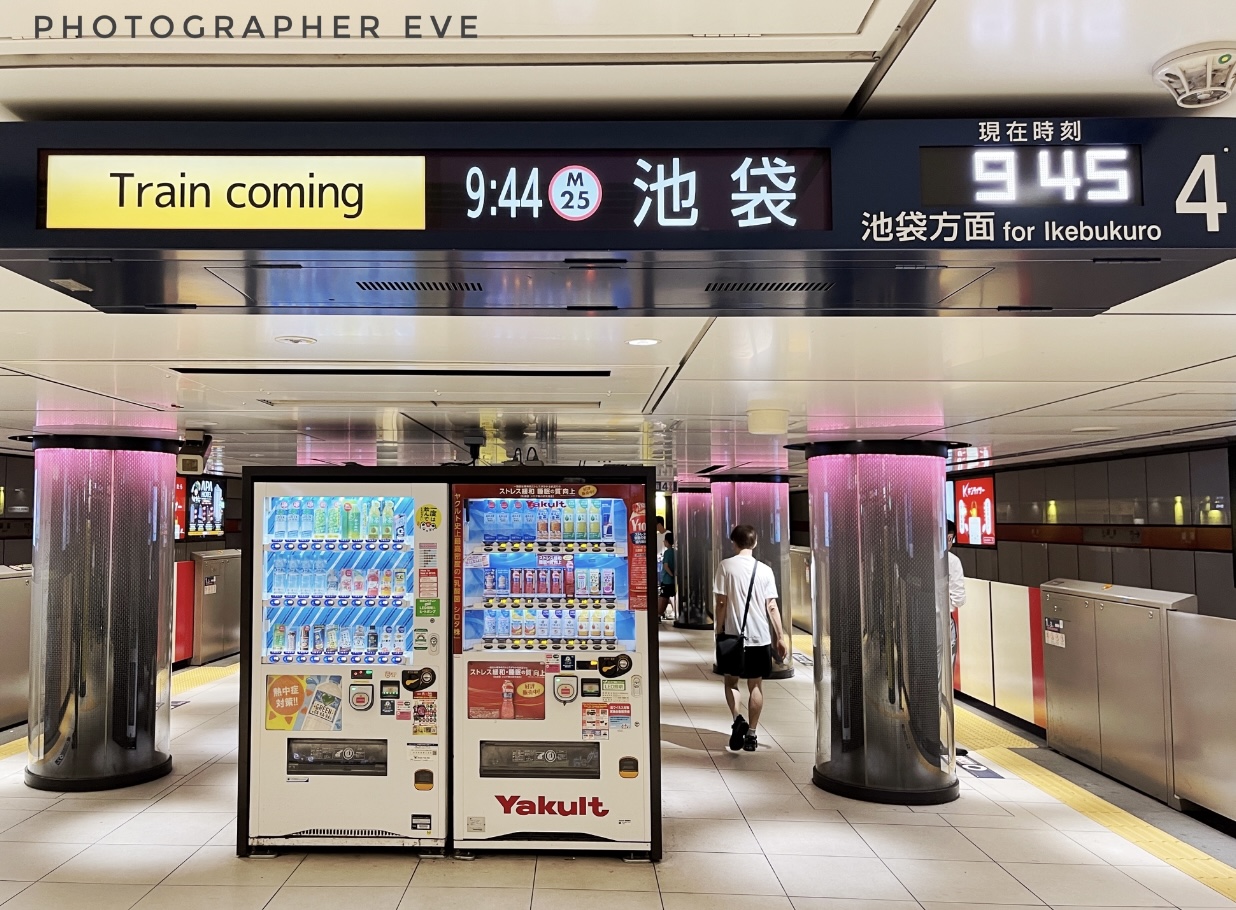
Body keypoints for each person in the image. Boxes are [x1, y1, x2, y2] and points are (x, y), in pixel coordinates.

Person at [713, 524, 786, 752]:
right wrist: (780, 637)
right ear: (754, 543)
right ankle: (752, 734)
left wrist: (718, 628)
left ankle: (738, 719)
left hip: (733, 636)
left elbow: (722, 602)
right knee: (756, 684)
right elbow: (771, 606)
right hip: (760, 638)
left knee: (731, 682)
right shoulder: (765, 570)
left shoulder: (725, 566)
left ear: (733, 543)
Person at [946, 519, 969, 757]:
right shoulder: (952, 561)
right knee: (943, 681)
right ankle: (942, 737)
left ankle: (925, 734)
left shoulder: (915, 559)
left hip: (917, 624)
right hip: (942, 624)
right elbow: (958, 598)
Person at [658, 531, 677, 621]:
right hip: (673, 580)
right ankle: (674, 612)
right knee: (671, 596)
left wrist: (671, 574)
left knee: (663, 597)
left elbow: (666, 566)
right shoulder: (675, 552)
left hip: (667, 579)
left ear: (666, 541)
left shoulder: (667, 552)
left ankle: (659, 614)